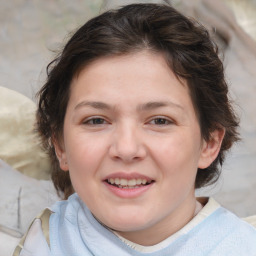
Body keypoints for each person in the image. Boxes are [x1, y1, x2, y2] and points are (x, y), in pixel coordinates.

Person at [13, 3, 256, 256]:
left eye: (160, 121)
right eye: (96, 120)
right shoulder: (46, 241)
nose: (126, 148)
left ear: (209, 143)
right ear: (60, 145)